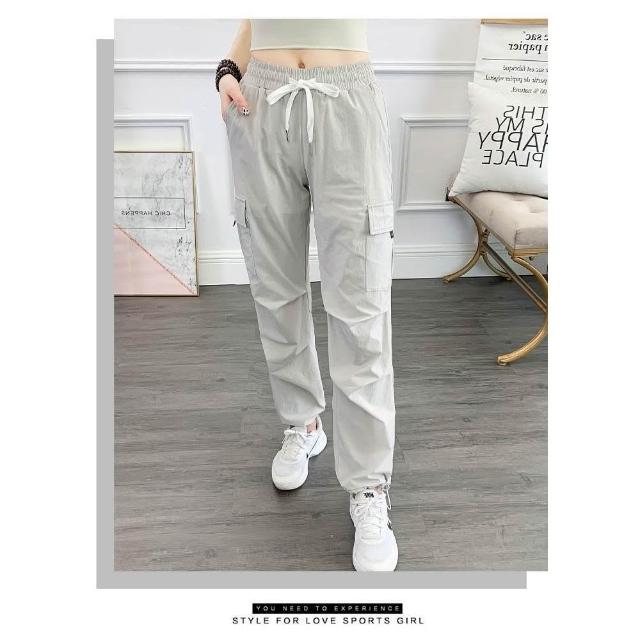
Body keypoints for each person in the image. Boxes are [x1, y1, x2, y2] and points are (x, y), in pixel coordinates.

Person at [217, 19, 397, 572]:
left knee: (361, 310)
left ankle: (368, 486)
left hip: (346, 101)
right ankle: (303, 423)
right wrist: (227, 70)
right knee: (276, 289)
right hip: (260, 101)